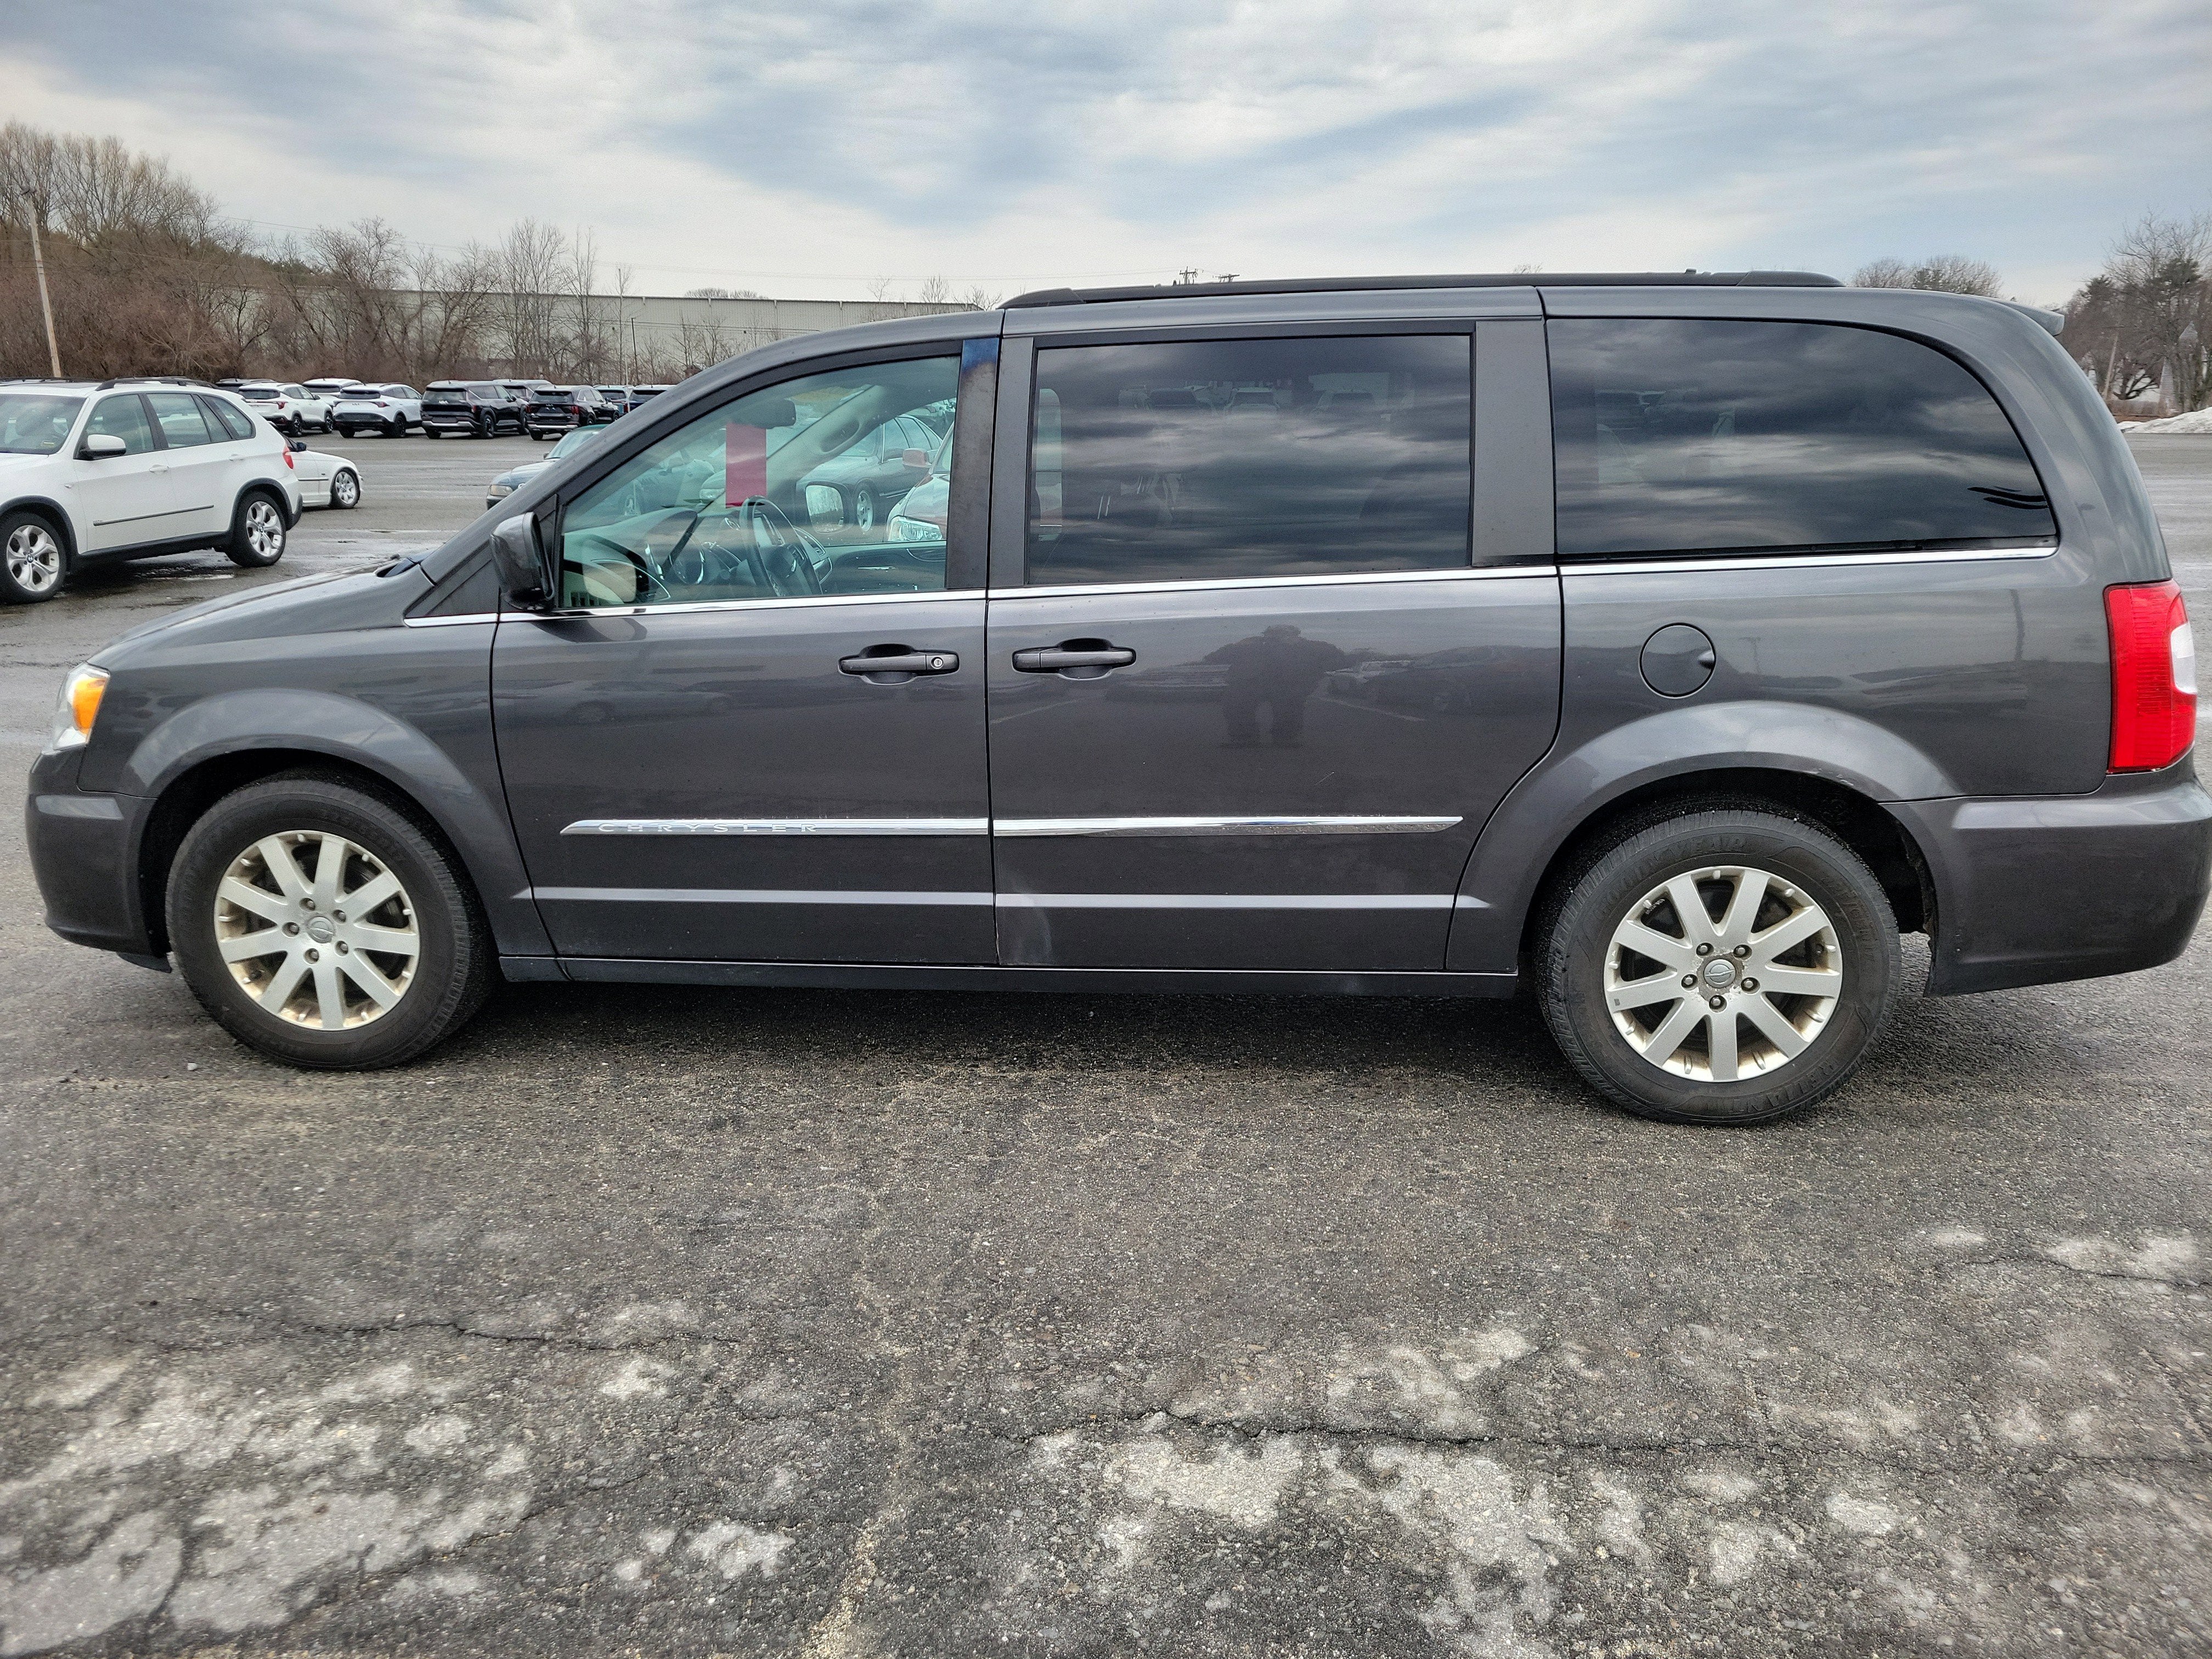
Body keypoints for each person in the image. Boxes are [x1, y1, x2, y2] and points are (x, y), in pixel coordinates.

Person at [1205, 623, 1348, 749]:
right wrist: (1238, 646)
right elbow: (1213, 658)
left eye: (1283, 635)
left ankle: (1285, 738)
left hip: (1289, 685)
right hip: (1251, 684)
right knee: (1237, 702)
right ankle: (1245, 738)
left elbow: (1338, 659)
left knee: (1289, 706)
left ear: (1296, 635)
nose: (1277, 639)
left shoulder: (1308, 646)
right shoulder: (1251, 645)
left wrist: (1313, 673)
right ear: (1266, 636)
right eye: (1273, 635)